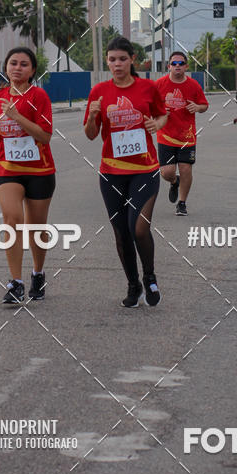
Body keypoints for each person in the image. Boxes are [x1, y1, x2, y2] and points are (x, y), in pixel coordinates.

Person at [84, 36, 168, 308]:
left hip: (145, 168)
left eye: (122, 59)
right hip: (111, 172)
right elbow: (90, 134)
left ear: (132, 60)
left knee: (139, 228)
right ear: (107, 62)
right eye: (112, 60)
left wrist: (157, 124)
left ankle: (150, 276)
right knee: (121, 232)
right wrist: (93, 115)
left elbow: (162, 114)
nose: (117, 64)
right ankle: (133, 285)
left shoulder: (148, 87)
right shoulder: (99, 91)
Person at [0, 47, 56, 304]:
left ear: (32, 70)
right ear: (6, 68)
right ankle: (16, 283)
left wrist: (16, 116)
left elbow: (44, 136)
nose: (17, 68)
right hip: (7, 168)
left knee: (36, 227)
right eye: (13, 63)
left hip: (40, 170)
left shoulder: (39, 96)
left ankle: (38, 273)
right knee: (12, 219)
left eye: (24, 64)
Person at [155, 51, 209, 215]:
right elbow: (150, 106)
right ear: (168, 66)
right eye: (174, 63)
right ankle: (174, 182)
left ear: (186, 66)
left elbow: (204, 105)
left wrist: (197, 107)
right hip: (165, 136)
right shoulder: (159, 84)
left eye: (181, 63)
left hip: (187, 136)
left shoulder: (193, 85)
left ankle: (182, 203)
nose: (177, 66)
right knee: (167, 172)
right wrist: (159, 112)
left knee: (186, 169)